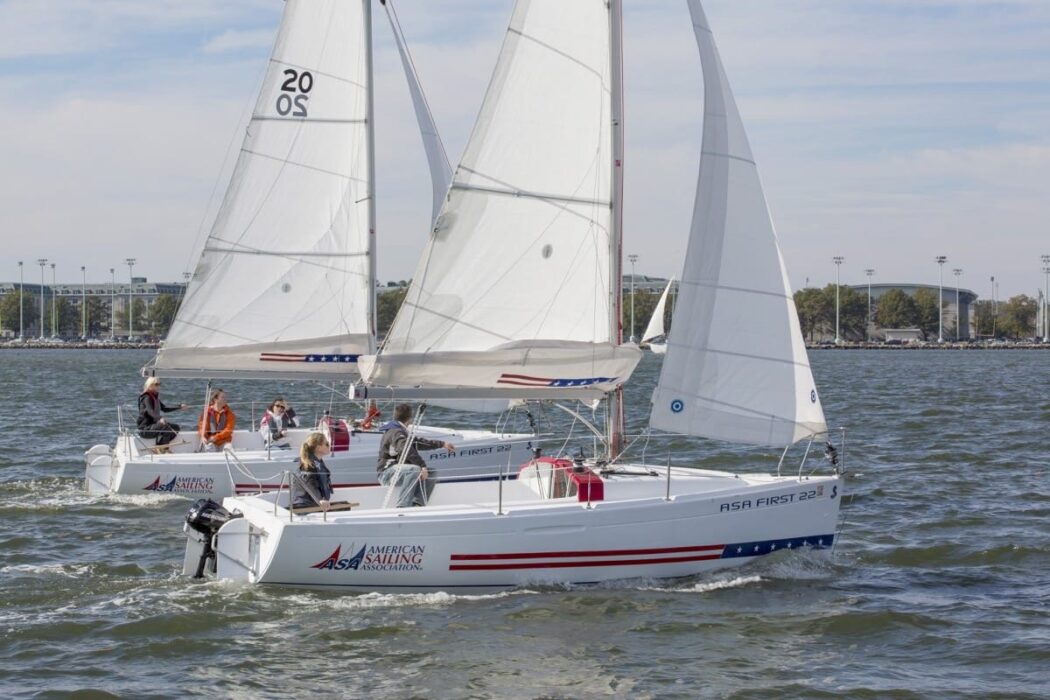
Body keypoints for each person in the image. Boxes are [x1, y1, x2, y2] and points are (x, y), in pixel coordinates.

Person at [376, 403, 455, 507]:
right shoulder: (396, 432)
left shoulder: (399, 431)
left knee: (431, 473)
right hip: (386, 474)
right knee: (414, 470)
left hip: (397, 472)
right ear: (410, 418)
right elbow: (405, 449)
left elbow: (417, 443)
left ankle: (417, 504)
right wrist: (422, 466)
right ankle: (403, 506)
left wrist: (442, 444)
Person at [136, 377, 187, 448]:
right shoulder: (146, 397)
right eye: (156, 384)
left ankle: (160, 446)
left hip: (153, 427)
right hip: (145, 429)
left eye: (159, 384)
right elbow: (150, 411)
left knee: (176, 428)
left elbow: (165, 408)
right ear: (150, 385)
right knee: (165, 426)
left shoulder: (154, 397)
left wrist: (179, 407)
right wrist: (160, 418)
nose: (159, 386)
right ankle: (164, 449)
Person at [291, 432, 332, 511]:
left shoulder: (317, 462)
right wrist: (319, 499)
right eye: (326, 444)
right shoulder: (307, 464)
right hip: (304, 506)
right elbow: (309, 482)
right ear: (318, 447)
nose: (329, 446)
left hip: (313, 503)